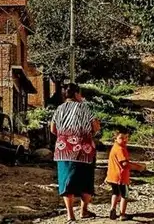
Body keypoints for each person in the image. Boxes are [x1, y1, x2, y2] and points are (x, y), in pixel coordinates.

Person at [50, 83, 101, 221]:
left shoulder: (59, 109)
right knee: (86, 181)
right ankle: (84, 211)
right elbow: (95, 127)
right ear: (77, 94)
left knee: (66, 182)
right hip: (84, 151)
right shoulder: (84, 108)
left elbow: (53, 129)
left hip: (63, 150)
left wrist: (64, 136)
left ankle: (70, 215)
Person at [106, 130, 145, 220]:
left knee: (115, 193)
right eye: (121, 138)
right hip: (121, 176)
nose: (124, 140)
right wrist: (138, 167)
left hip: (112, 176)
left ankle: (113, 208)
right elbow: (125, 164)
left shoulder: (115, 147)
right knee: (125, 195)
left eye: (126, 137)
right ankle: (122, 214)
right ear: (115, 139)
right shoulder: (120, 149)